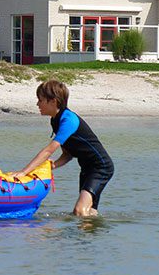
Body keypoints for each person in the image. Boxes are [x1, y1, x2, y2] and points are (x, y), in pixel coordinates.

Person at [12, 79, 114, 217]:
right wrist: (51, 166)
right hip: (87, 168)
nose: (37, 104)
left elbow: (49, 149)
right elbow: (68, 154)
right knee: (89, 211)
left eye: (40, 100)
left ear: (53, 101)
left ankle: (87, 237)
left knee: (79, 211)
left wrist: (24, 172)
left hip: (101, 167)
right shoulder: (55, 120)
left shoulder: (68, 120)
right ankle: (91, 238)